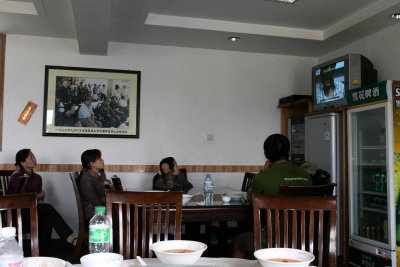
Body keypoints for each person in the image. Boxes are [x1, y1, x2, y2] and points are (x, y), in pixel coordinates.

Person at [233, 134, 312, 259]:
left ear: (266, 154)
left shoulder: (263, 177)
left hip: (273, 240)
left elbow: (251, 199)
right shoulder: (305, 175)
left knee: (238, 241)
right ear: (289, 151)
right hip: (304, 238)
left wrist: (264, 171)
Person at [7, 149, 77, 255]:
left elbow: (40, 202)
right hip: (16, 211)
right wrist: (40, 195)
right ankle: (69, 238)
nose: (34, 159)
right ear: (22, 163)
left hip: (32, 210)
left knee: (46, 217)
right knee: (47, 208)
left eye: (34, 156)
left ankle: (42, 254)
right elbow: (22, 199)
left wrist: (40, 201)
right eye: (31, 157)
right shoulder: (17, 175)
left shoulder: (37, 178)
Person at [78, 149, 112, 225]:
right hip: (94, 215)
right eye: (99, 159)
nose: (102, 160)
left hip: (101, 210)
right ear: (92, 163)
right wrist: (105, 198)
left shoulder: (98, 174)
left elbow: (105, 187)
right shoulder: (86, 179)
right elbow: (96, 202)